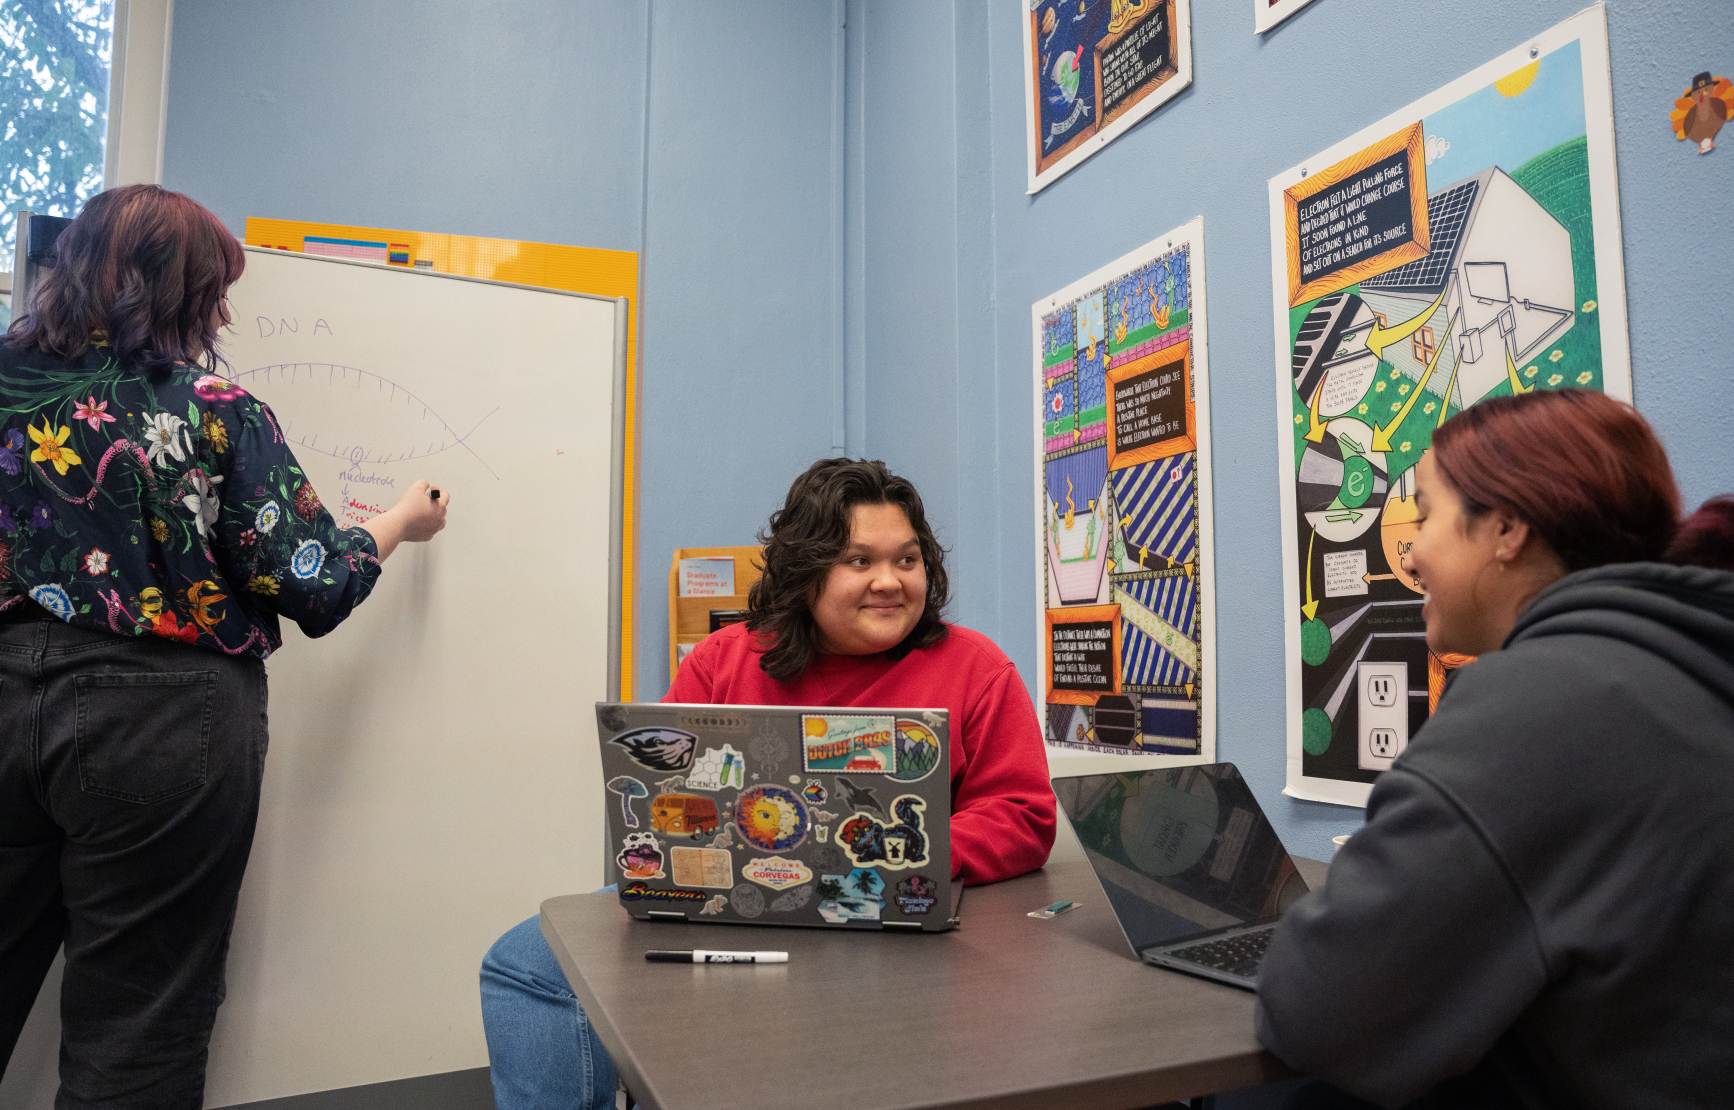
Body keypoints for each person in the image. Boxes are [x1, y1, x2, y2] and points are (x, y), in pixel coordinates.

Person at [0, 185, 449, 1108]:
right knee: (137, 1028)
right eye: (216, 289)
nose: (225, 312)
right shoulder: (213, 409)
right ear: (176, 290)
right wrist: (402, 520)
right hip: (163, 721)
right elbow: (313, 583)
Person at [480, 457, 1056, 1110]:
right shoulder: (721, 662)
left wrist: (889, 856)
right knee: (524, 965)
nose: (890, 582)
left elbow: (1022, 814)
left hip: (885, 911)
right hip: (725, 896)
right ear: (805, 572)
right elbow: (668, 798)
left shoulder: (976, 668)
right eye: (859, 561)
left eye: (907, 559)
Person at [1255, 389, 1734, 1108]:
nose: (1410, 553)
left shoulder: (1544, 701)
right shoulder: (1685, 667)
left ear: (1506, 528)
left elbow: (1310, 1010)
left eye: (1425, 514)